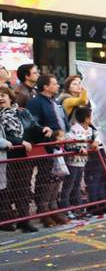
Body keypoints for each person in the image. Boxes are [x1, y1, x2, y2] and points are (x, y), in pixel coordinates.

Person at [26, 74, 69, 226]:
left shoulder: (54, 101)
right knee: (45, 178)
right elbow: (33, 123)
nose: (57, 86)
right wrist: (47, 132)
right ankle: (43, 211)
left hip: (58, 145)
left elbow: (63, 120)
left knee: (57, 177)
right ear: (46, 86)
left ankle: (53, 207)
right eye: (55, 83)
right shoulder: (36, 103)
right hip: (45, 145)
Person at [0, 87, 39, 232]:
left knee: (23, 188)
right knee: (5, 190)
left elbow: (34, 127)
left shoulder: (22, 112)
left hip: (23, 156)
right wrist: (19, 142)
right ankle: (6, 220)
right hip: (5, 156)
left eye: (3, 95)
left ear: (10, 97)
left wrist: (46, 131)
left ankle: (24, 221)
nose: (0, 98)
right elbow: (2, 137)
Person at [63, 105, 95, 215]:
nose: (92, 119)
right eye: (91, 117)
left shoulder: (90, 130)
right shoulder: (74, 128)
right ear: (86, 118)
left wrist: (95, 144)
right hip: (72, 161)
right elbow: (67, 141)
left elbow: (97, 138)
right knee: (68, 185)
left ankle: (78, 208)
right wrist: (78, 148)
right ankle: (66, 209)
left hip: (83, 162)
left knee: (77, 184)